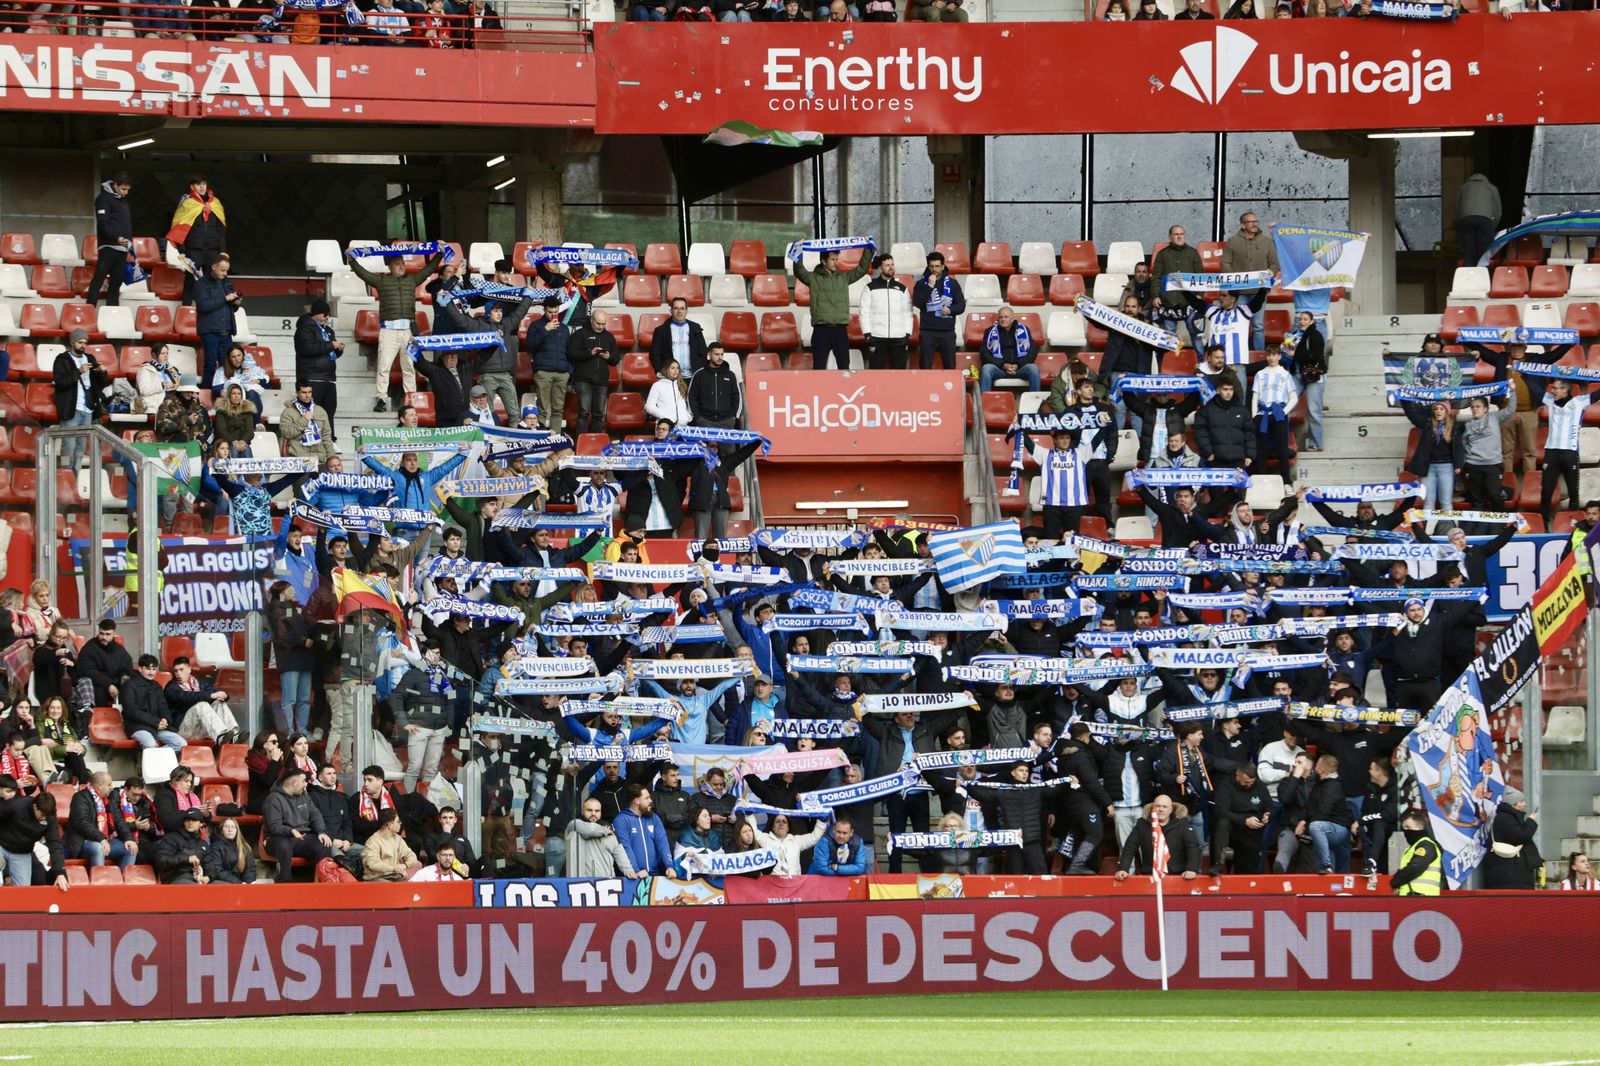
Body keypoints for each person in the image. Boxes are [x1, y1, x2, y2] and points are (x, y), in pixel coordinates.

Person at [346, 243, 445, 412]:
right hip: (388, 331)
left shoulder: (412, 279)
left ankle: (411, 399)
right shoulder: (381, 280)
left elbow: (429, 270)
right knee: (384, 366)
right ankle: (382, 399)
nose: (401, 266)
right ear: (390, 267)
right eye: (398, 264)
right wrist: (352, 261)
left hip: (407, 331)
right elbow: (363, 274)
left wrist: (439, 255)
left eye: (403, 263)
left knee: (409, 367)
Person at [794, 242, 872, 372]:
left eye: (837, 259)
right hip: (821, 330)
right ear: (823, 261)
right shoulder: (813, 278)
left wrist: (868, 249)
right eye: (832, 259)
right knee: (819, 367)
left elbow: (862, 269)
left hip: (840, 330)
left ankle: (844, 392)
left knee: (844, 367)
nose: (836, 262)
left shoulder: (844, 277)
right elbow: (799, 270)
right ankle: (818, 392)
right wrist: (797, 250)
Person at [394, 642, 453, 794]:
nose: (436, 656)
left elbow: (450, 699)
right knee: (414, 767)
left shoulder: (442, 675)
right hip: (419, 727)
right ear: (424, 655)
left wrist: (449, 723)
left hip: (439, 728)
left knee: (431, 769)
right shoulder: (413, 674)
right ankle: (407, 804)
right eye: (433, 653)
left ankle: (428, 802)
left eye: (438, 653)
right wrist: (403, 722)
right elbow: (396, 696)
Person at [52, 328, 108, 471]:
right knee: (68, 448)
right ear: (72, 343)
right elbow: (60, 382)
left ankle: (74, 481)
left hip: (87, 409)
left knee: (80, 449)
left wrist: (103, 373)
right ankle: (65, 479)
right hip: (72, 409)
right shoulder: (62, 359)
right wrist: (78, 371)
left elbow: (100, 384)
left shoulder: (90, 358)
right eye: (80, 342)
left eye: (85, 342)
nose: (83, 345)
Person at [263, 765, 331, 882]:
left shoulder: (304, 795)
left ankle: (316, 883)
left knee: (324, 844)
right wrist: (290, 831)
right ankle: (285, 882)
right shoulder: (273, 798)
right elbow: (274, 827)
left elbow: (315, 814)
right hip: (278, 838)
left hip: (302, 837)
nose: (306, 784)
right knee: (284, 845)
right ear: (294, 782)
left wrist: (321, 831)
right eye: (304, 781)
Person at [1220, 210, 1278, 349]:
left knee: (1258, 326)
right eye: (1251, 222)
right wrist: (1234, 279)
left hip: (1259, 292)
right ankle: (1238, 352)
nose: (1254, 224)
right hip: (1239, 293)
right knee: (1238, 324)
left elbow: (1274, 263)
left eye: (1256, 221)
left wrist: (1271, 272)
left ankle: (1259, 356)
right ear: (1242, 225)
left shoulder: (1266, 241)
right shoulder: (1232, 241)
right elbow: (1225, 263)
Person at [167, 174, 227, 305]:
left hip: (212, 251)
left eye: (204, 184)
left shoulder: (215, 203)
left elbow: (220, 229)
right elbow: (179, 227)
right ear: (192, 187)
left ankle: (211, 311)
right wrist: (183, 250)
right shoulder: (187, 203)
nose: (202, 187)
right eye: (198, 184)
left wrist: (222, 251)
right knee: (190, 282)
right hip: (194, 251)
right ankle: (185, 310)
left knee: (213, 281)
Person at [1114, 794, 1201, 879]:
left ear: (1171, 810)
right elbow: (1130, 847)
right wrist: (1123, 869)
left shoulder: (1182, 823)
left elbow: (1192, 846)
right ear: (1153, 808)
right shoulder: (1142, 823)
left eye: (1164, 807)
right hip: (1150, 875)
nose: (1161, 809)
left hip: (1178, 874)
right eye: (1158, 806)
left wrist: (1191, 869)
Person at [65, 771, 137, 870]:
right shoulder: (80, 797)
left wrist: (128, 838)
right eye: (109, 784)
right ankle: (100, 882)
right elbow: (82, 823)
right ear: (100, 786)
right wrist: (101, 838)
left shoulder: (108, 800)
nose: (111, 788)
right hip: (83, 843)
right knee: (98, 847)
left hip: (104, 841)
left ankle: (123, 883)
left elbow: (119, 821)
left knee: (130, 848)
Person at [567, 308, 621, 436]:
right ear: (591, 320)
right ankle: (580, 442)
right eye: (598, 323)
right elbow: (570, 353)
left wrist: (609, 357)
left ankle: (596, 444)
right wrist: (589, 353)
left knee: (599, 414)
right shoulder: (579, 334)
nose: (600, 326)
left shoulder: (609, 337)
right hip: (583, 380)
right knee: (584, 412)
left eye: (603, 324)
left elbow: (616, 358)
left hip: (601, 381)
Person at [192, 254, 242, 388]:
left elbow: (233, 308)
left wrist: (236, 302)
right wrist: (225, 299)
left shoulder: (227, 281)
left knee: (228, 365)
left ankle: (228, 395)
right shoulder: (201, 283)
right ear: (214, 267)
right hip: (210, 331)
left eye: (227, 270)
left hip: (227, 330)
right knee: (210, 364)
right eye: (222, 270)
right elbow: (203, 306)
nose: (225, 273)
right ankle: (206, 396)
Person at [1402, 399, 1461, 510]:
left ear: (1447, 411)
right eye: (1436, 409)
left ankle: (1447, 527)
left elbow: (1458, 447)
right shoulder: (1427, 424)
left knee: (1446, 502)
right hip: (1428, 468)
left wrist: (1458, 464)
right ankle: (1429, 527)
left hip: (1446, 467)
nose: (1438, 411)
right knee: (1428, 501)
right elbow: (1412, 415)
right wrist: (1403, 398)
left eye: (1441, 409)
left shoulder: (1454, 427)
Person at [1251, 344, 1298, 481]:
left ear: (1279, 356)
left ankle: (1286, 482)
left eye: (1274, 355)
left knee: (1282, 449)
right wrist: (1255, 416)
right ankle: (1260, 481)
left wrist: (1284, 411)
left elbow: (1293, 397)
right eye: (1269, 354)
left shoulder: (1285, 374)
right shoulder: (1260, 374)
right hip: (1263, 414)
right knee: (1261, 450)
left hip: (1278, 414)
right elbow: (1255, 396)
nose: (1271, 358)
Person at [121, 653, 186, 752]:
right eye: (148, 669)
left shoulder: (156, 686)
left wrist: (165, 720)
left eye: (154, 669)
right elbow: (131, 711)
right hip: (137, 727)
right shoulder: (129, 685)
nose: (151, 672)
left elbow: (163, 706)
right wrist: (156, 722)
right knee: (150, 745)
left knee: (181, 744)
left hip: (157, 727)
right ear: (140, 669)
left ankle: (156, 761)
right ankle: (156, 763)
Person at [88, 171, 134, 308]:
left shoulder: (122, 200)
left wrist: (128, 240)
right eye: (123, 189)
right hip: (108, 246)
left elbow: (125, 223)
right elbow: (103, 223)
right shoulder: (103, 199)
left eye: (127, 190)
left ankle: (113, 311)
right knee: (99, 278)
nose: (125, 193)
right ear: (115, 185)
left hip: (122, 247)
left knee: (117, 282)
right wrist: (116, 237)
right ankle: (89, 309)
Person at [1481, 787, 1541, 889]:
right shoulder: (1505, 818)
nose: (1524, 804)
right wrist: (1531, 821)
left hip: (1512, 874)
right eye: (1521, 801)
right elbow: (1521, 836)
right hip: (1511, 876)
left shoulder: (1508, 817)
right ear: (1513, 804)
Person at [913, 251, 964, 370]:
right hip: (927, 332)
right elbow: (918, 303)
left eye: (937, 266)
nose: (934, 269)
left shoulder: (953, 284)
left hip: (947, 331)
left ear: (942, 266)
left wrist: (950, 310)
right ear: (928, 266)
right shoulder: (921, 283)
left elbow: (961, 305)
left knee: (950, 368)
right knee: (925, 368)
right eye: (931, 266)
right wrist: (930, 286)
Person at [859, 253, 912, 370]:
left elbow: (908, 313)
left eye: (892, 264)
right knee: (876, 374)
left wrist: (907, 334)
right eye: (887, 265)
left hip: (899, 338)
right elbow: (864, 312)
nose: (891, 267)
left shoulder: (902, 288)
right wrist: (867, 334)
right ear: (880, 268)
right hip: (877, 337)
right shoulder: (870, 287)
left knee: (900, 375)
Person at [1284, 311, 1327, 451]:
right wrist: (1284, 349)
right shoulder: (1294, 335)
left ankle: (1316, 444)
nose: (1302, 321)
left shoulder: (1316, 335)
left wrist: (1295, 354)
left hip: (1314, 376)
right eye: (1300, 319)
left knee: (1314, 410)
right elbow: (1289, 355)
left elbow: (1315, 355)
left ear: (1311, 321)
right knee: (1286, 406)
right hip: (1298, 374)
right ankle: (1282, 440)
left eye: (1305, 319)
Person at [613, 783, 673, 876]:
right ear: (637, 801)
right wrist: (636, 870)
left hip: (655, 874)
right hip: (632, 876)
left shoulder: (654, 818)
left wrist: (669, 866)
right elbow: (625, 847)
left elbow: (662, 843)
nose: (651, 800)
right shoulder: (621, 820)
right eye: (646, 798)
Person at [979, 306, 1040, 391]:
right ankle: (983, 402)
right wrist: (1003, 365)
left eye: (1006, 317)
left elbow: (1032, 352)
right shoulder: (990, 331)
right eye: (1001, 317)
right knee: (986, 369)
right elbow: (984, 354)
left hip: (1020, 368)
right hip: (999, 369)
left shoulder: (1024, 330)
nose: (1003, 319)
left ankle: (1036, 401)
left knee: (1033, 369)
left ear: (1012, 318)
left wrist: (1017, 365)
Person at [649, 297, 709, 376]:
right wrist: (661, 371)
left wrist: (699, 371)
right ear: (671, 311)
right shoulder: (661, 330)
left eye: (682, 308)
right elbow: (654, 355)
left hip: (692, 377)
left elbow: (703, 353)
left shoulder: (695, 328)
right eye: (676, 308)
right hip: (670, 378)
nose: (679, 311)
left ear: (686, 311)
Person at [687, 343, 741, 428]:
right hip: (704, 421)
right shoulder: (699, 374)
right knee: (702, 442)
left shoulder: (731, 375)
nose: (720, 357)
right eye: (716, 354)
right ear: (709, 355)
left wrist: (734, 417)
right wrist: (697, 417)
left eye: (722, 354)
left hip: (727, 421)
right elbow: (692, 396)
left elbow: (737, 397)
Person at [151, 807, 211, 884]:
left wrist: (209, 876)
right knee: (195, 889)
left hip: (197, 879)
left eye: (194, 820)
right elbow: (161, 860)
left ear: (201, 824)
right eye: (187, 820)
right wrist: (186, 859)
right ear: (184, 822)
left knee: (219, 888)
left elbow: (210, 863)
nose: (190, 823)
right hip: (174, 879)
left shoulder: (203, 844)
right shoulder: (171, 838)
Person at [1390, 810, 1442, 897]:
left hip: (1422, 897)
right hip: (1412, 897)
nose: (1406, 831)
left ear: (1420, 827)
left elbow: (1416, 866)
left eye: (1408, 827)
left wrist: (1395, 882)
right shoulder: (1414, 847)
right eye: (1404, 828)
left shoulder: (1426, 845)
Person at [1455, 172, 1501, 268]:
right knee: (1483, 254)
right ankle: (1482, 278)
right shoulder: (1492, 188)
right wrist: (1492, 228)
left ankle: (1469, 279)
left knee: (1468, 253)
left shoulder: (1463, 188)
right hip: (1485, 220)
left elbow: (1457, 209)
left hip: (1466, 220)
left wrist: (1458, 226)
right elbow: (1498, 211)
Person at [362, 808, 421, 881]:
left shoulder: (397, 838)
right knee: (389, 886)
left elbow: (410, 855)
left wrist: (405, 865)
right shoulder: (373, 841)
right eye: (398, 821)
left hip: (395, 875)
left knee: (417, 865)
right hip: (377, 878)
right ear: (390, 825)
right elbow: (373, 864)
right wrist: (394, 868)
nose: (400, 823)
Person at [203, 816, 257, 884]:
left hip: (241, 884)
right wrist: (238, 883)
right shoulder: (215, 846)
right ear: (222, 830)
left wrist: (248, 883)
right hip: (224, 882)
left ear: (237, 830)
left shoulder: (244, 847)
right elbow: (217, 870)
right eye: (226, 826)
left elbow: (250, 869)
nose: (230, 830)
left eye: (233, 827)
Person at [645, 359, 694, 426]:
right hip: (665, 426)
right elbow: (649, 406)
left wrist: (687, 417)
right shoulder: (657, 385)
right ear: (666, 369)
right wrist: (666, 417)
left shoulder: (682, 384)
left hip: (683, 426)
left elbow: (686, 405)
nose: (676, 370)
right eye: (672, 368)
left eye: (677, 368)